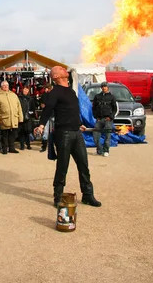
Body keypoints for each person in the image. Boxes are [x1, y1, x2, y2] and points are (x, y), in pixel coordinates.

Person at [35, 66, 101, 208]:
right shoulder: (55, 93)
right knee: (62, 167)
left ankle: (88, 195)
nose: (66, 70)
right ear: (56, 76)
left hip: (76, 132)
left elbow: (73, 111)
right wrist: (41, 125)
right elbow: (47, 110)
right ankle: (58, 197)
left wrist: (79, 124)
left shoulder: (71, 91)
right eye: (62, 70)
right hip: (63, 134)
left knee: (83, 165)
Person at [0, 81, 23, 154]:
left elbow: (19, 106)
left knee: (13, 134)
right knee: (4, 135)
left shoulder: (14, 95)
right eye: (4, 85)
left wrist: (20, 117)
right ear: (1, 86)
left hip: (14, 118)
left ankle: (12, 148)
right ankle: (4, 148)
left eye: (6, 85)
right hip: (4, 118)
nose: (5, 87)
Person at [92, 82, 117, 157]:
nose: (104, 88)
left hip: (108, 119)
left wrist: (111, 117)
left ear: (108, 87)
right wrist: (96, 116)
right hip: (99, 119)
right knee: (95, 135)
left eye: (105, 86)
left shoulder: (112, 97)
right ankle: (99, 150)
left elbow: (115, 109)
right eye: (102, 86)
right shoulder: (97, 97)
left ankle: (106, 150)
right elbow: (93, 108)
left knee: (107, 135)